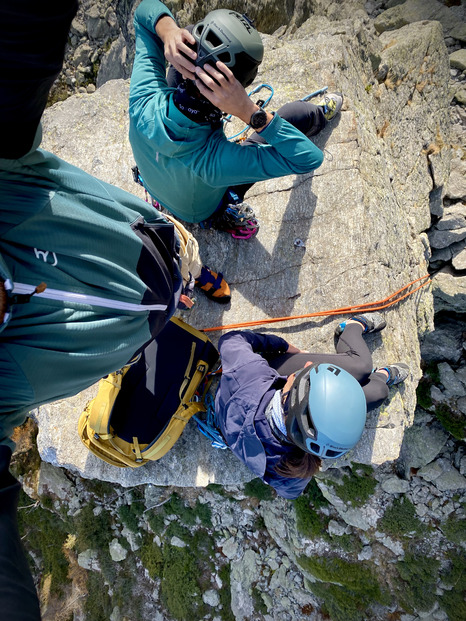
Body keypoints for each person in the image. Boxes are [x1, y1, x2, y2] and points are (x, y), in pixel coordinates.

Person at [0, 1, 223, 616]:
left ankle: (186, 276)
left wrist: (166, 29)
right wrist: (250, 115)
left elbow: (21, 39)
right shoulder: (210, 152)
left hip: (167, 249)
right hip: (168, 253)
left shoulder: (5, 175)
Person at [129, 0, 343, 238]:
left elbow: (144, 12)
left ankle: (188, 45)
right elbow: (308, 158)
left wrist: (169, 32)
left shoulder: (143, 99)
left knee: (186, 33)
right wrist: (249, 111)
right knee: (293, 116)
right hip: (199, 211)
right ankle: (320, 115)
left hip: (154, 179)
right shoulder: (215, 163)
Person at [215, 313, 409, 499]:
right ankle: (357, 335)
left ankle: (364, 353)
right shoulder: (293, 465)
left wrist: (285, 347)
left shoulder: (250, 373)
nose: (308, 362)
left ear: (286, 392)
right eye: (305, 371)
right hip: (247, 408)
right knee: (377, 389)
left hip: (250, 394)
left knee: (362, 370)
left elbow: (230, 340)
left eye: (303, 373)